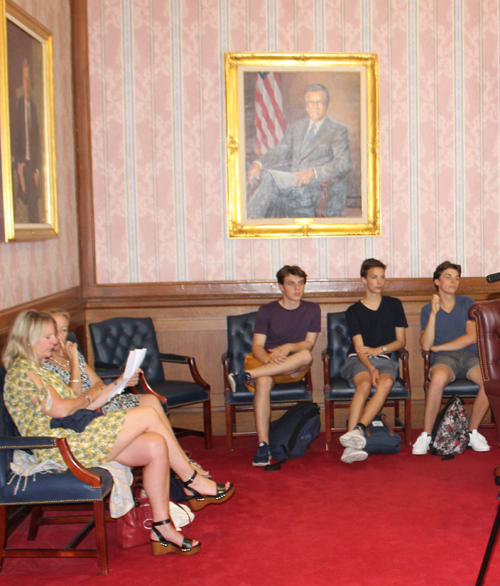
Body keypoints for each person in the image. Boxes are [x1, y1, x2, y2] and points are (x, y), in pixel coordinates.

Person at [3, 310, 235, 556]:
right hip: (60, 446)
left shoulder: (39, 369)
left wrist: (120, 381)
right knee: (147, 414)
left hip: (77, 434)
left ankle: (162, 528)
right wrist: (85, 398)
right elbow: (61, 409)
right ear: (29, 338)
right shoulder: (22, 372)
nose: (54, 341)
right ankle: (192, 481)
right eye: (48, 336)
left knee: (156, 444)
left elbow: (84, 403)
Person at [42, 309, 209, 477]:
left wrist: (113, 384)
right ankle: (181, 468)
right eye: (54, 331)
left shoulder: (73, 352)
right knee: (148, 413)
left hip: (101, 399)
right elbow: (73, 400)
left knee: (150, 399)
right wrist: (75, 367)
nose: (59, 336)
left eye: (64, 330)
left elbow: (98, 382)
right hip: (85, 413)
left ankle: (179, 461)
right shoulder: (46, 363)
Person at [228, 266, 321, 466]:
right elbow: (257, 346)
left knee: (305, 355)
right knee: (263, 380)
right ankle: (263, 445)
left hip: (291, 364)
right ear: (280, 286)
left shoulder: (313, 309)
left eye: (301, 283)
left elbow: (309, 344)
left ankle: (244, 376)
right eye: (291, 283)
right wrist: (270, 361)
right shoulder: (267, 310)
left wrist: (288, 347)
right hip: (264, 361)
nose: (297, 288)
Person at [413, 261, 490, 455]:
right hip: (445, 360)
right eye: (448, 277)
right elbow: (425, 345)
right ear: (437, 281)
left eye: (456, 278)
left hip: (470, 357)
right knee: (437, 379)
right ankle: (426, 436)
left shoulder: (467, 302)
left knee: (489, 381)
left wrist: (438, 347)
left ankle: (472, 432)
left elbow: (471, 337)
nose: (453, 281)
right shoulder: (426, 310)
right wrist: (433, 314)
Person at [338, 259, 408, 464]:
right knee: (366, 383)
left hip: (384, 358)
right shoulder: (354, 311)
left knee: (386, 382)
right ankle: (352, 443)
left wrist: (380, 350)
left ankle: (356, 432)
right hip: (358, 360)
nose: (379, 281)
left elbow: (401, 341)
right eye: (374, 277)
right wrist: (369, 367)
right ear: (363, 280)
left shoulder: (394, 304)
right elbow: (359, 348)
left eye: (382, 277)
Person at [247, 83, 352, 218]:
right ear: (306, 106)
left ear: (326, 104)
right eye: (311, 102)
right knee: (259, 179)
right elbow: (280, 150)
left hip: (317, 185)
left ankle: (250, 222)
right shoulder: (297, 127)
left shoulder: (338, 130)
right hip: (293, 180)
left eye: (319, 102)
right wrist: (258, 163)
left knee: (270, 181)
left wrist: (314, 172)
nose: (315, 106)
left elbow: (343, 163)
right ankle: (254, 223)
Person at [14, 58, 41, 223]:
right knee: (30, 194)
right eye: (24, 79)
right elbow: (15, 136)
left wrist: (37, 170)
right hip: (22, 162)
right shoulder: (17, 105)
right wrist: (19, 164)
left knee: (32, 190)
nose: (26, 83)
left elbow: (38, 140)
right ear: (21, 81)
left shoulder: (34, 108)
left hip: (33, 165)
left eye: (29, 79)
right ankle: (34, 222)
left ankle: (35, 222)